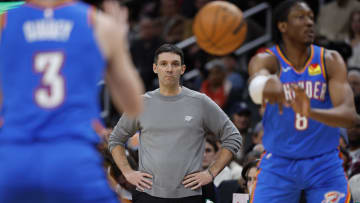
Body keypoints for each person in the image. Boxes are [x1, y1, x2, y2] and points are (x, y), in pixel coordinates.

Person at [0, 0, 145, 202]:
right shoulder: (99, 24)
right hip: (72, 158)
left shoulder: (4, 24)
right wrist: (119, 47)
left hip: (14, 160)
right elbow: (133, 106)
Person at [247, 1, 360, 202]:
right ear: (282, 26)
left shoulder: (330, 60)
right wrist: (265, 83)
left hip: (324, 163)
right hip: (279, 164)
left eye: (310, 17)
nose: (309, 22)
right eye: (300, 17)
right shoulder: (268, 59)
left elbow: (350, 117)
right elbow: (257, 77)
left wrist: (312, 112)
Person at [109, 43, 242, 203]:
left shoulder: (200, 102)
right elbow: (116, 139)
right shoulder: (141, 103)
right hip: (147, 195)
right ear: (155, 68)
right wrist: (128, 172)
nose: (169, 69)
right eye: (164, 64)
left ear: (183, 69)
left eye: (175, 64)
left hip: (190, 195)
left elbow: (233, 137)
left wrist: (210, 173)